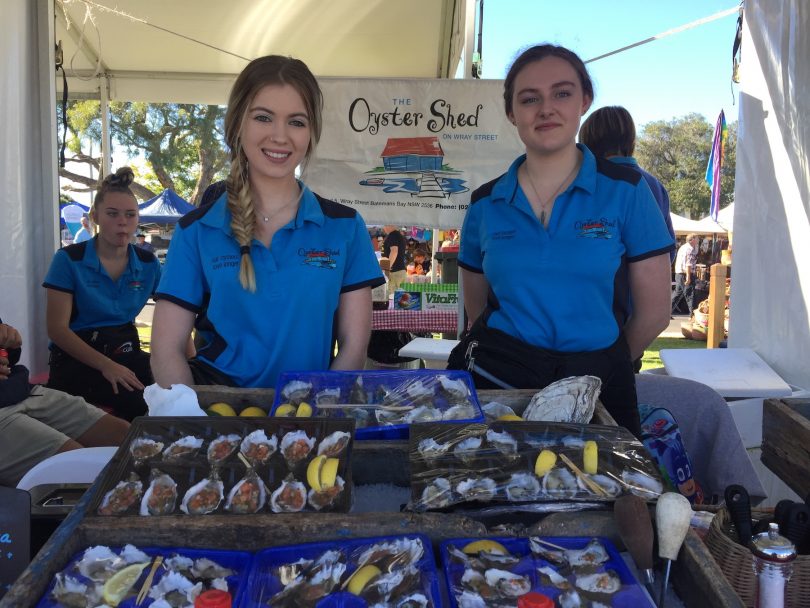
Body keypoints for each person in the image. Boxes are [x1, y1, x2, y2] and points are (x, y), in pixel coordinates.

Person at [447, 44, 673, 437]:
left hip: (598, 382)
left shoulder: (627, 191)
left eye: (562, 93)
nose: (546, 108)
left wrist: (604, 365)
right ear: (512, 112)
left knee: (603, 494)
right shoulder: (485, 203)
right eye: (529, 98)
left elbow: (654, 312)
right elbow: (477, 306)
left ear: (584, 101)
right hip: (501, 381)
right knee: (491, 488)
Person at [149, 55, 383, 389]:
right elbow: (165, 351)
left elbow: (353, 347)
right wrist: (195, 422)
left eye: (297, 122)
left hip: (308, 419)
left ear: (311, 133)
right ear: (237, 124)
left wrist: (312, 416)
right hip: (219, 418)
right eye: (263, 117)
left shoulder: (345, 228)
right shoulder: (196, 232)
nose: (280, 136)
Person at [43, 167, 160, 421]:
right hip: (75, 358)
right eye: (112, 214)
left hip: (126, 351)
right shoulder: (68, 259)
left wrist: (190, 364)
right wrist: (107, 366)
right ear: (95, 216)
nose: (123, 222)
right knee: (135, 406)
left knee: (171, 398)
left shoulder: (149, 263)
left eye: (130, 215)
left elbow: (170, 318)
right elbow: (57, 330)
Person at [0, 319, 129, 487]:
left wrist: (8, 339)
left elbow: (10, 357)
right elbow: (57, 328)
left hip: (19, 390)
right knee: (79, 468)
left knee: (126, 437)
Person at [578, 105, 676, 260]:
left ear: (586, 142)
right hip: (648, 277)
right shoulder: (655, 185)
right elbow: (668, 252)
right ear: (632, 140)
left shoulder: (583, 183)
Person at [671, 233, 698, 316]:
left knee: (677, 294)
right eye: (697, 238)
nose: (698, 240)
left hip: (679, 273)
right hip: (684, 274)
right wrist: (688, 277)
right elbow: (688, 264)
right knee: (690, 294)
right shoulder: (689, 249)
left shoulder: (683, 247)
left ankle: (666, 312)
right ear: (692, 239)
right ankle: (692, 315)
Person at [382, 225, 407, 290]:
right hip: (398, 271)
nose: (383, 227)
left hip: (395, 272)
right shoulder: (396, 235)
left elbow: (394, 252)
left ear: (390, 225)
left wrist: (387, 268)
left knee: (392, 297)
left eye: (385, 225)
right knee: (397, 297)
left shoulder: (393, 235)